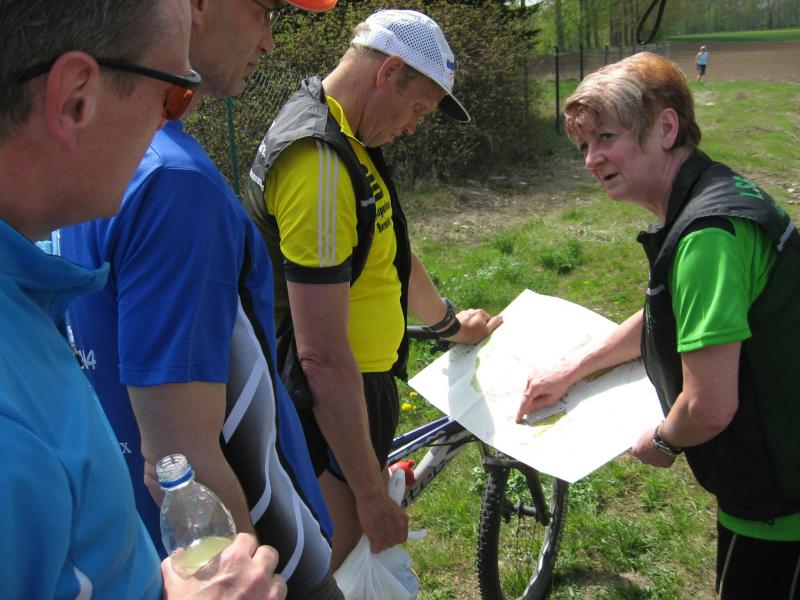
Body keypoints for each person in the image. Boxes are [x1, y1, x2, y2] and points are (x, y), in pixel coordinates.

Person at [0, 0, 287, 598]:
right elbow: (177, 448)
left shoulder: (24, 294)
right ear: (76, 99)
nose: (170, 127)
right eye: (174, 97)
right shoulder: (12, 433)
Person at [58, 0, 344, 598]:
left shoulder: (86, 157)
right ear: (196, 6)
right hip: (255, 560)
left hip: (132, 550)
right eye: (264, 11)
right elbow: (177, 456)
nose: (269, 42)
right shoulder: (173, 184)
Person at [516, 52, 800, 599]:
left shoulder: (707, 238)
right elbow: (676, 312)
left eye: (606, 137)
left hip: (779, 502)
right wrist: (574, 367)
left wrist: (664, 441)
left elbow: (709, 407)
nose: (591, 159)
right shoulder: (715, 193)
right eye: (584, 145)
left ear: (666, 128)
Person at [245, 8, 503, 569]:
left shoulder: (345, 132)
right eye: (418, 109)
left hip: (357, 391)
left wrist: (449, 325)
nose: (413, 127)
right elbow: (321, 356)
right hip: (326, 405)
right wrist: (369, 493)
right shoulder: (317, 161)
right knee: (331, 573)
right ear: (388, 73)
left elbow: (388, 251)